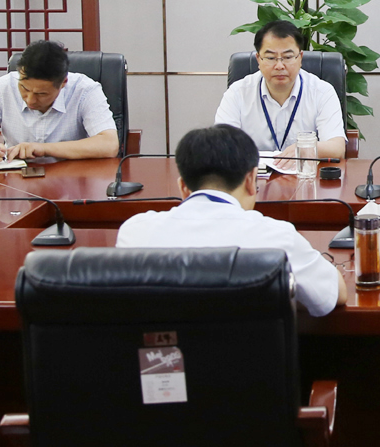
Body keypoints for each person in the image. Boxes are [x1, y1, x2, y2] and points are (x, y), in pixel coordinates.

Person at [116, 124, 346, 316]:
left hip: (163, 356)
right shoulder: (278, 238)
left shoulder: (135, 233)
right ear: (251, 180)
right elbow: (335, 294)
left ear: (183, 187)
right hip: (251, 358)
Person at [0, 39, 119, 163]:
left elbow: (109, 144)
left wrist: (43, 148)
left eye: (41, 94)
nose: (30, 100)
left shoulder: (85, 90)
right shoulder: (3, 88)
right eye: (24, 88)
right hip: (18, 180)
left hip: (72, 178)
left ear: (63, 83)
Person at [215, 20, 347, 161]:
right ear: (258, 59)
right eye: (271, 58)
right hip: (254, 172)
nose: (279, 66)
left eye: (288, 57)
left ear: (300, 58)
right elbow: (222, 145)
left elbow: (337, 148)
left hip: (304, 172)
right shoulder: (238, 93)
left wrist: (304, 149)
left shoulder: (322, 92)